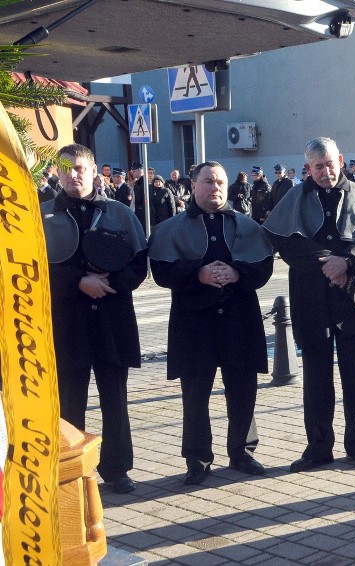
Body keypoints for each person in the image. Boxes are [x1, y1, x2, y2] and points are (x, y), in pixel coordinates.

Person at [263, 136, 355, 472]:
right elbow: (283, 242)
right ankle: (318, 448)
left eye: (330, 165)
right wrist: (325, 262)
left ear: (340, 160)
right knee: (316, 379)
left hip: (354, 296)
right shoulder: (294, 197)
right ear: (309, 167)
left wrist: (346, 261)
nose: (325, 172)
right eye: (318, 167)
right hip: (311, 299)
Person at [148, 161, 274, 485]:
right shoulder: (172, 228)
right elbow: (162, 271)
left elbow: (263, 268)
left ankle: (242, 451)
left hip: (238, 319)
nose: (215, 188)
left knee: (243, 389)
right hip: (194, 322)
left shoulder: (246, 225)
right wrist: (198, 275)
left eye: (220, 182)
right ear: (193, 185)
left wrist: (235, 274)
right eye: (208, 182)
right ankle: (197, 457)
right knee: (194, 394)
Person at [41, 143, 148, 494]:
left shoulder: (119, 213)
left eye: (80, 168)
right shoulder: (41, 216)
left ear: (94, 170)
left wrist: (108, 284)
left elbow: (138, 264)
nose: (74, 174)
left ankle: (117, 469)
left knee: (114, 398)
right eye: (66, 168)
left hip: (111, 320)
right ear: (57, 172)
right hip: (67, 321)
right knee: (69, 400)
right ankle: (70, 470)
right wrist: (78, 282)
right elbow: (33, 268)